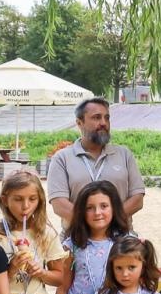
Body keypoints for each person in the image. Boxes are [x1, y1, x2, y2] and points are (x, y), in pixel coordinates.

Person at [46, 97, 146, 227]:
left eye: (107, 117)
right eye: (97, 117)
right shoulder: (62, 159)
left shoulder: (124, 154)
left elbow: (137, 199)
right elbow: (59, 205)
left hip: (120, 239)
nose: (103, 123)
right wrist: (93, 227)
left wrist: (108, 221)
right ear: (79, 122)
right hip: (77, 239)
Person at [54, 180, 129, 294]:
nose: (97, 213)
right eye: (90, 208)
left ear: (114, 208)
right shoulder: (72, 245)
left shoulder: (126, 242)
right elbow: (62, 288)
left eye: (104, 206)